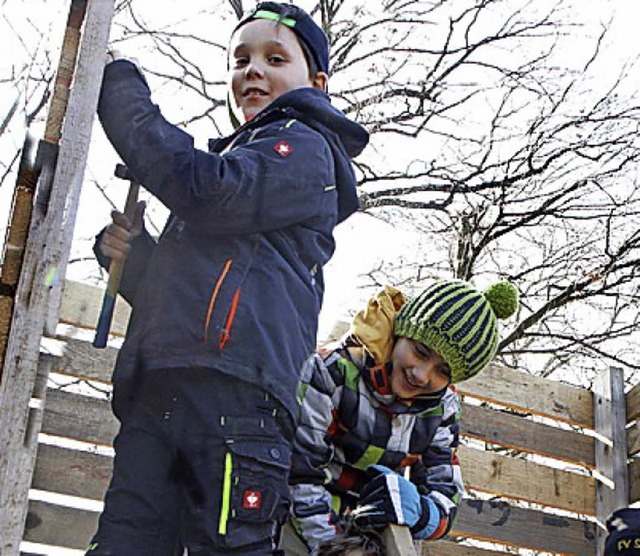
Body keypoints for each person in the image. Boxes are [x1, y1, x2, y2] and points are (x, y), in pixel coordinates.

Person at [86, 3, 368, 555]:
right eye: (240, 59)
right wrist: (138, 260)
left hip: (240, 407)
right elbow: (198, 301)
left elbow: (207, 191)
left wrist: (120, 92)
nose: (252, 70)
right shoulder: (246, 162)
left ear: (317, 82)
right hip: (167, 390)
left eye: (274, 57)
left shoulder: (304, 149)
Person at [282, 280, 519, 554]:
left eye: (442, 371)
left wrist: (420, 512)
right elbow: (299, 471)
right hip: (304, 514)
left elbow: (445, 492)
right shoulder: (333, 372)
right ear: (400, 333)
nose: (421, 374)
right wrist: (334, 547)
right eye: (420, 352)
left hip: (376, 526)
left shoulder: (441, 411)